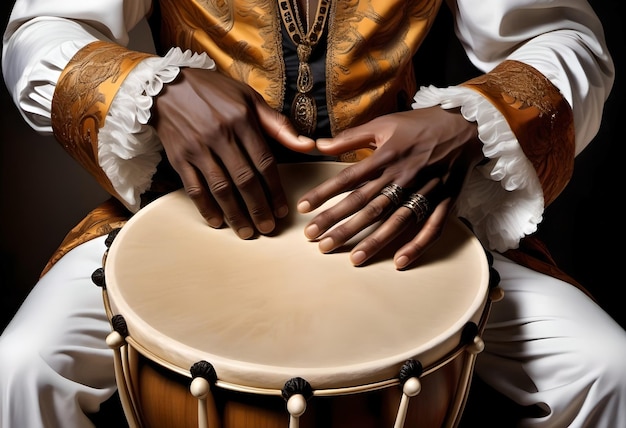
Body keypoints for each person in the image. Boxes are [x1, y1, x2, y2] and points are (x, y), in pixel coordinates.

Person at [1, 0, 624, 427]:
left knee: (605, 368)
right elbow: (43, 26)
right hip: (196, 203)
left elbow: (564, 37)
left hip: (399, 209)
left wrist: (465, 121)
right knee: (23, 365)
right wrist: (155, 88)